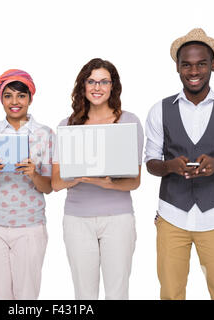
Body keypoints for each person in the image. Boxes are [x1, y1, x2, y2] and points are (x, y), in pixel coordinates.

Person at [145, 28, 214, 300]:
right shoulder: (159, 109)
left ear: (213, 64)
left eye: (201, 63)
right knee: (170, 293)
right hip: (171, 216)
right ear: (178, 67)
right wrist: (170, 166)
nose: (194, 71)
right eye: (187, 65)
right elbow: (150, 162)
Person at [51, 58, 144, 300]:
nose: (97, 87)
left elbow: (135, 181)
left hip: (118, 218)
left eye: (104, 81)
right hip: (77, 219)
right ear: (83, 86)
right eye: (91, 81)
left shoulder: (129, 122)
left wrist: (109, 183)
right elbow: (56, 183)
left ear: (113, 86)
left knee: (117, 292)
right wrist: (80, 176)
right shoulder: (68, 126)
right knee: (84, 295)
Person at [0, 69, 54, 300]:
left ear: (30, 98)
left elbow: (49, 187)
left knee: (26, 297)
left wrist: (34, 174)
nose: (14, 102)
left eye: (21, 95)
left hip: (30, 225)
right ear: (1, 98)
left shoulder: (45, 134)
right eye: (8, 95)